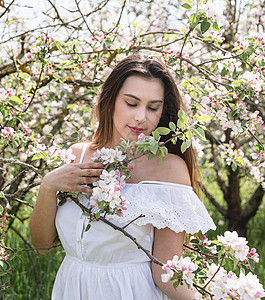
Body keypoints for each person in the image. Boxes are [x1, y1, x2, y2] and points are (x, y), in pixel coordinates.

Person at [30, 54, 216, 300]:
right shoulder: (78, 156)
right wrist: (48, 186)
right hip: (73, 289)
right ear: (111, 100)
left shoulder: (169, 169)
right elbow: (43, 246)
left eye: (152, 108)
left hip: (132, 292)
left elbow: (165, 268)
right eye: (131, 103)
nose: (141, 117)